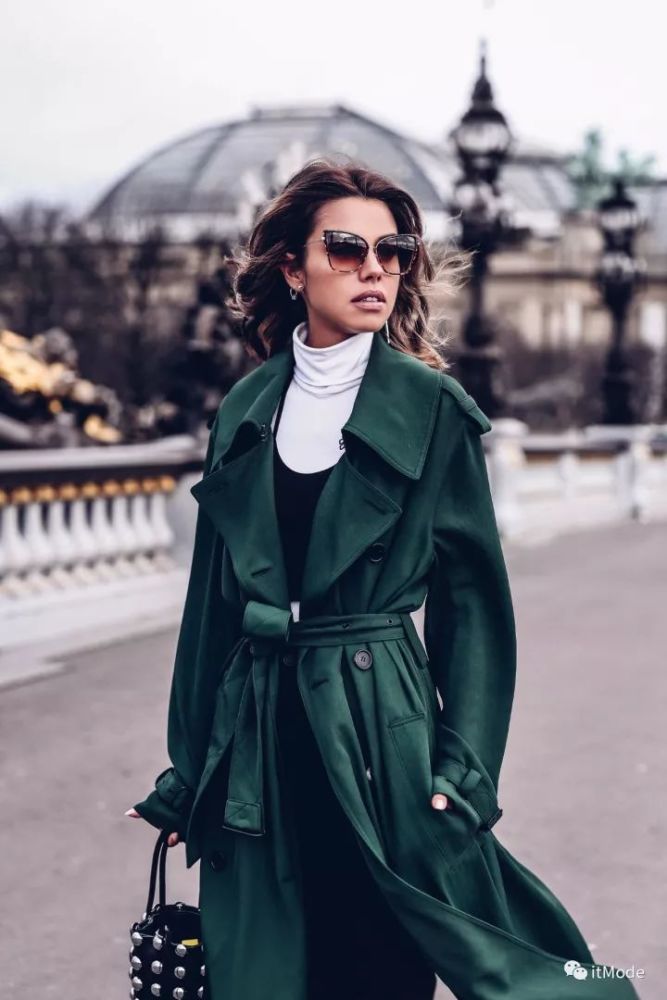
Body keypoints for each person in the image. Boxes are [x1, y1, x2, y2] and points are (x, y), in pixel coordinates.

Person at [127, 159, 639, 1000]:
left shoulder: (432, 410)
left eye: (392, 252)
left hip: (377, 721)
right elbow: (211, 609)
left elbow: (472, 607)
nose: (374, 269)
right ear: (293, 269)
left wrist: (463, 770)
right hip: (260, 724)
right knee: (266, 963)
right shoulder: (245, 409)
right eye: (346, 248)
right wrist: (189, 774)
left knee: (382, 957)